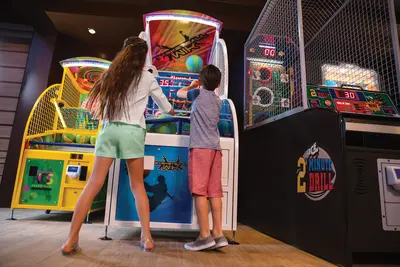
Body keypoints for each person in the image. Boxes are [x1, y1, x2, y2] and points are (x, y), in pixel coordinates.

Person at [61, 36, 174, 255]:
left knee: (93, 183)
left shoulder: (110, 75)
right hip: (132, 132)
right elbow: (167, 107)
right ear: (143, 57)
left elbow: (97, 106)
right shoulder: (147, 78)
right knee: (137, 185)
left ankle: (70, 239)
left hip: (109, 130)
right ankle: (147, 238)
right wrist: (170, 111)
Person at [177, 65, 228, 251]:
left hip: (200, 148)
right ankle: (218, 233)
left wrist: (191, 86)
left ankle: (204, 236)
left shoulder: (196, 94)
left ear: (200, 81)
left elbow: (179, 93)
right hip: (216, 149)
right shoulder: (217, 100)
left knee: (200, 191)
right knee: (215, 191)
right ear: (219, 84)